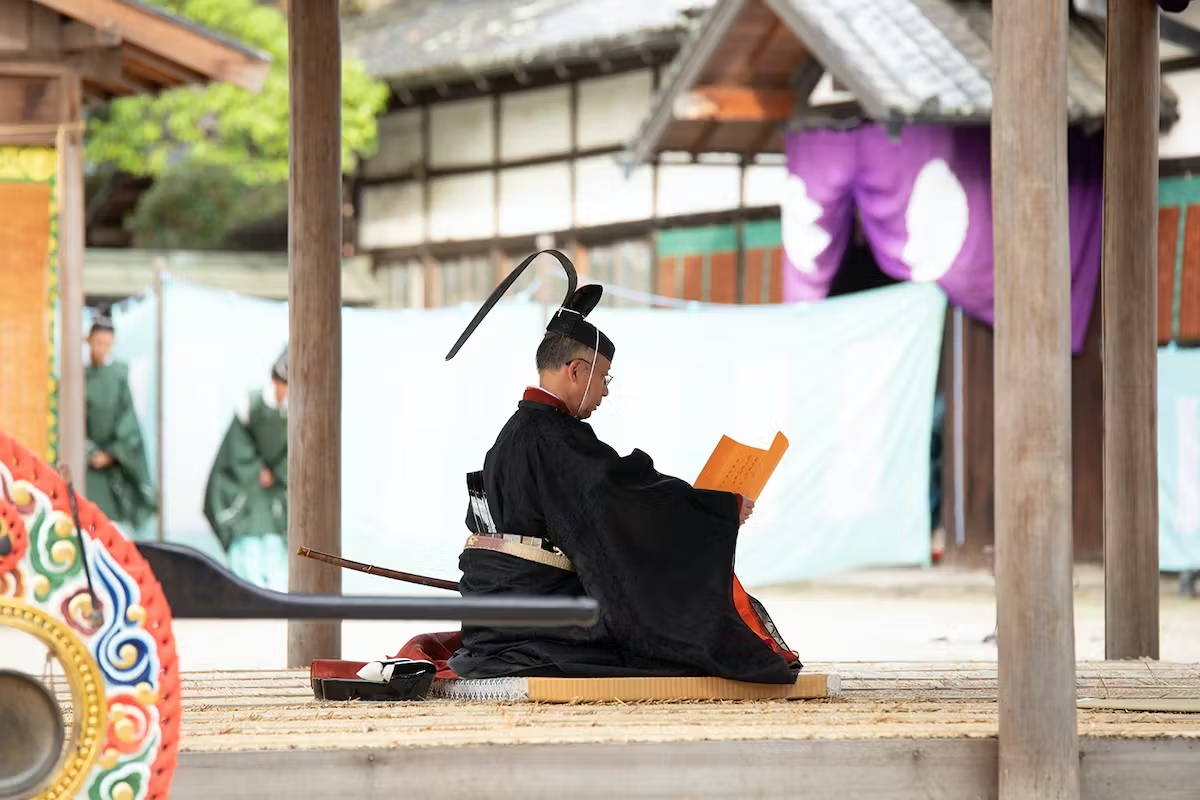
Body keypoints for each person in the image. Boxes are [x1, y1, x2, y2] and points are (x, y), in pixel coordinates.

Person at [400, 250, 801, 684]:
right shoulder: (555, 438)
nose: (605, 392)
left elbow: (614, 494)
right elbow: (625, 499)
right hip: (539, 622)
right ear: (576, 371)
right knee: (669, 638)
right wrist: (715, 508)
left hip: (499, 620)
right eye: (604, 378)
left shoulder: (515, 433)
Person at [202, 347, 289, 591]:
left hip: (277, 491)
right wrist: (257, 469)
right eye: (283, 383)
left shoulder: (295, 411)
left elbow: (298, 449)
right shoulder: (251, 404)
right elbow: (237, 443)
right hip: (247, 486)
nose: (286, 389)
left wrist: (278, 472)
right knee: (247, 549)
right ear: (274, 380)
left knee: (274, 548)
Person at [84, 307, 157, 539]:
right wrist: (89, 453)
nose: (102, 349)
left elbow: (128, 419)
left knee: (116, 534)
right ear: (88, 341)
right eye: (97, 343)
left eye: (107, 344)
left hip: (115, 463)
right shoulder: (78, 377)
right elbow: (70, 421)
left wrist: (113, 453)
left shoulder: (119, 376)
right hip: (87, 465)